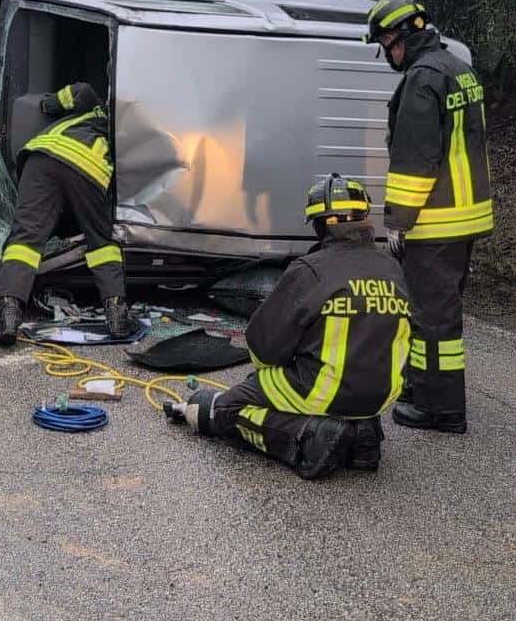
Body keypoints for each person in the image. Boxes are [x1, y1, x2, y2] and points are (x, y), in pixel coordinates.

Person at [164, 174, 411, 479]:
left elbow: (263, 348)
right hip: (382, 394)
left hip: (322, 391)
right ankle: (363, 435)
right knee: (326, 383)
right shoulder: (393, 268)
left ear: (320, 225)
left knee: (230, 409)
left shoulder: (310, 271)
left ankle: (310, 435)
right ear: (363, 219)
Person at [364, 0, 494, 434]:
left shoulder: (422, 79)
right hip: (465, 217)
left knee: (433, 320)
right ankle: (423, 389)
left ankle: (441, 410)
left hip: (435, 221)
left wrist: (398, 221)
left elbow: (415, 160)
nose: (387, 53)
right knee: (436, 312)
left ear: (401, 36)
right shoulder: (459, 69)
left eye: (385, 44)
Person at [0, 81, 133, 346]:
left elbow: (80, 91)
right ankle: (117, 315)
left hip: (43, 157)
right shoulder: (125, 126)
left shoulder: (95, 107)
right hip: (88, 167)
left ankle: (9, 314)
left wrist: (51, 103)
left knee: (25, 239)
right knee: (101, 242)